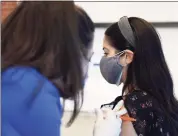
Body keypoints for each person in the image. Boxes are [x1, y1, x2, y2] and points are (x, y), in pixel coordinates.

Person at [2, 1, 124, 136]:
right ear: (72, 52)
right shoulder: (34, 95)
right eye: (88, 58)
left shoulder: (12, 79)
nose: (86, 74)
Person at [99, 16, 178, 136]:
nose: (104, 58)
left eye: (106, 52)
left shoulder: (130, 108)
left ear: (127, 57)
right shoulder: (174, 107)